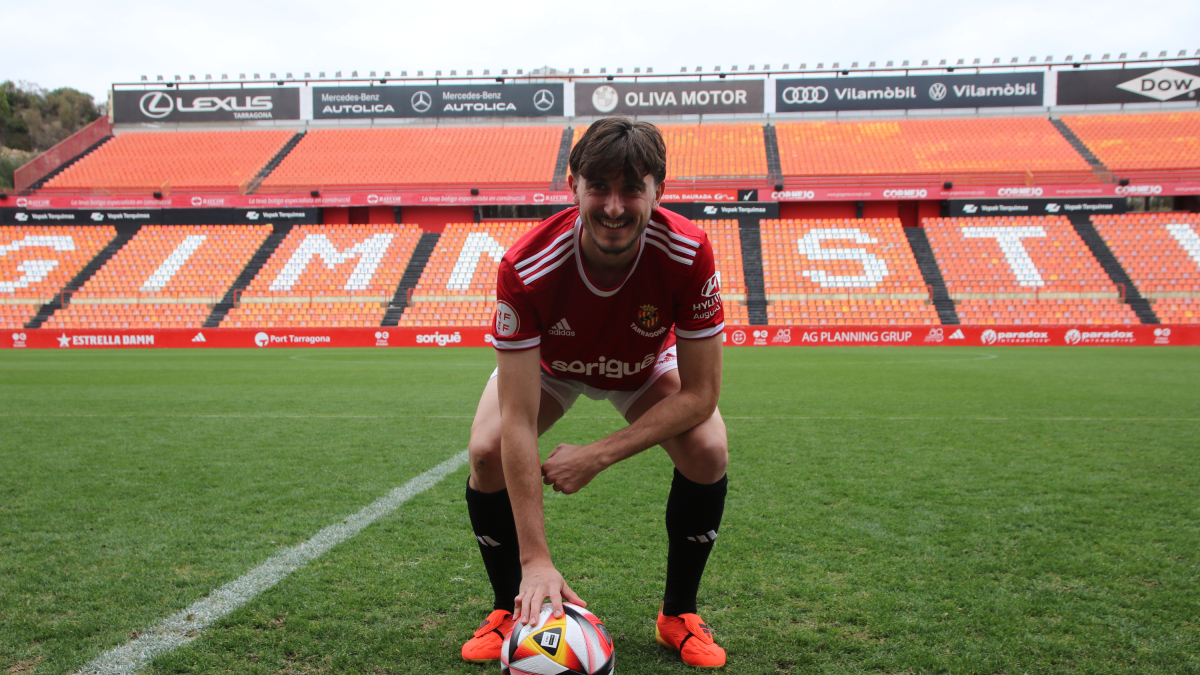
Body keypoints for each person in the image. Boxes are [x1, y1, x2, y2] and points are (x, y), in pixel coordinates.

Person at [461, 117, 729, 668]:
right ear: (572, 185)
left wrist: (598, 454)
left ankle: (677, 612)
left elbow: (700, 395)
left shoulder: (689, 252)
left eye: (632, 188)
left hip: (643, 365)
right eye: (598, 187)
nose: (613, 206)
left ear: (659, 190)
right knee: (486, 451)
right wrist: (536, 558)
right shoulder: (525, 264)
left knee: (707, 450)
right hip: (553, 368)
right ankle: (510, 604)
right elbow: (516, 415)